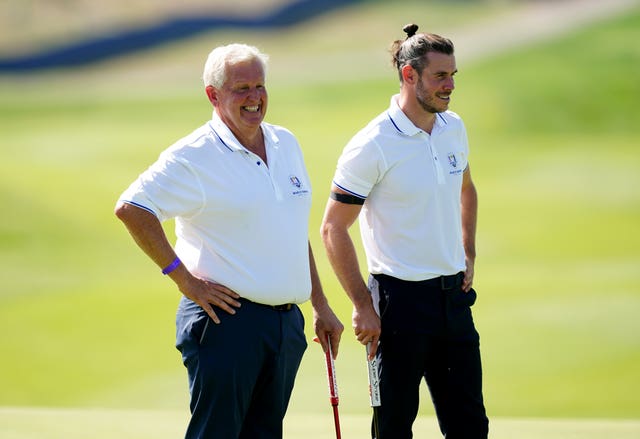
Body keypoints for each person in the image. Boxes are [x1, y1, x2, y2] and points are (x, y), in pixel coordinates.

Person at [115, 43, 343, 439]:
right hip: (226, 323)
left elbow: (290, 229)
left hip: (285, 326)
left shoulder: (285, 142)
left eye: (260, 86)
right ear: (213, 95)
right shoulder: (193, 156)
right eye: (242, 88)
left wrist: (319, 304)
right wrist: (185, 281)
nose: (255, 98)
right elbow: (132, 208)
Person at [320, 24, 489, 438]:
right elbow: (332, 228)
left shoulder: (453, 127)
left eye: (453, 76)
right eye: (440, 77)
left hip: (453, 300)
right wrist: (362, 304)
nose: (450, 86)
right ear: (409, 75)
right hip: (397, 306)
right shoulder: (372, 143)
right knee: (394, 428)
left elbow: (466, 188)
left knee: (470, 427)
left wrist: (468, 252)